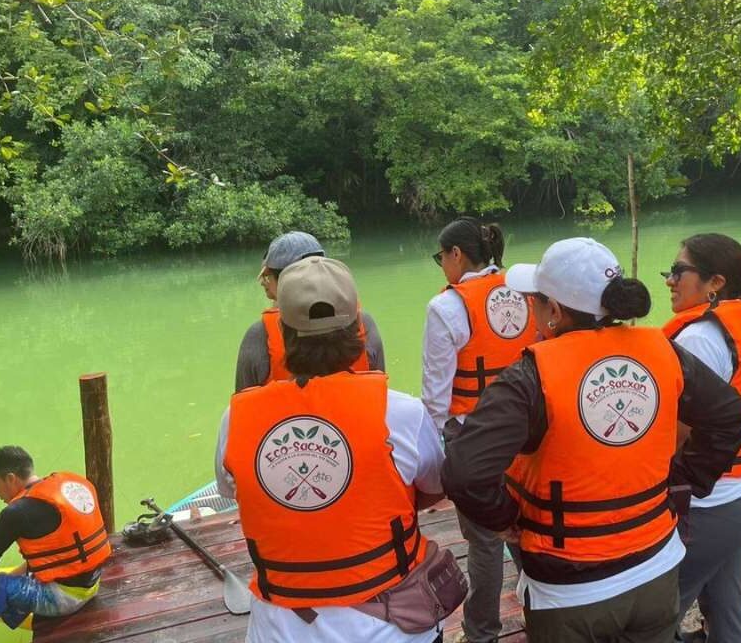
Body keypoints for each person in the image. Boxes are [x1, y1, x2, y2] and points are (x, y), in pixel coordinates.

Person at [442, 237, 741, 643]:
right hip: (657, 566)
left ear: (553, 310)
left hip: (570, 589)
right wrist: (682, 481)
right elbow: (732, 416)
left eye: (536, 299)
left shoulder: (530, 375)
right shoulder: (661, 350)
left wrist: (506, 519)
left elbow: (463, 471)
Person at [215, 256, 446, 643]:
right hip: (393, 630)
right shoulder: (402, 412)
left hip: (280, 633)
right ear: (359, 328)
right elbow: (435, 485)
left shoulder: (235, 417)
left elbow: (232, 491)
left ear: (282, 333)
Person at [421, 217, 536, 643]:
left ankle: (482, 632)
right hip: (527, 430)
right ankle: (544, 609)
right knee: (529, 526)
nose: (442, 267)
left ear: (456, 254)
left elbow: (435, 396)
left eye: (440, 258)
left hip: (474, 437)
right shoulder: (525, 290)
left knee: (485, 541)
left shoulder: (447, 307)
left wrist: (438, 458)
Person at [661, 233, 741, 643]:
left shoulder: (698, 339)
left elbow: (678, 435)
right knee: (727, 609)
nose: (670, 281)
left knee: (656, 616)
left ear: (715, 283)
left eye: (679, 272)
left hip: (710, 502)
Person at [0, 446, 111, 642]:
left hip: (62, 599)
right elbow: (54, 557)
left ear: (10, 478)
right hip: (92, 585)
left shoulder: (17, 512)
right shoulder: (71, 485)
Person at [235, 231, 385, 391]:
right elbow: (381, 394)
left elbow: (244, 403)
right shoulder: (364, 323)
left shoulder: (259, 335)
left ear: (284, 281)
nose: (263, 283)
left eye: (267, 277)